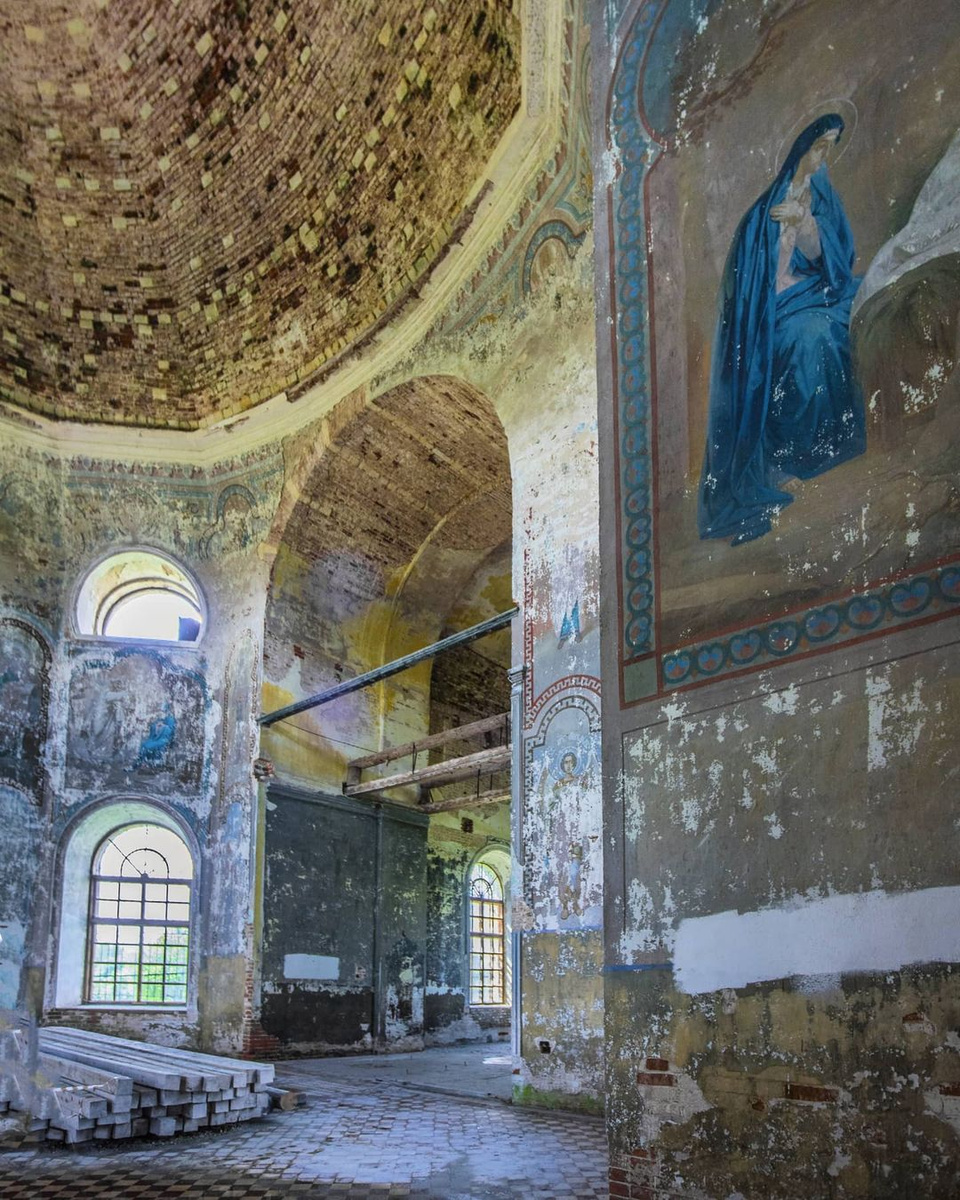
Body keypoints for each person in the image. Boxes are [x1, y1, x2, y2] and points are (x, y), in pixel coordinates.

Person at [698, 113, 866, 545]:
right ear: (802, 148)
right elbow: (756, 281)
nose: (823, 157)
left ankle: (837, 440)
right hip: (776, 306)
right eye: (820, 147)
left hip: (816, 290)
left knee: (847, 316)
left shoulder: (820, 195)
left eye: (830, 147)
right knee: (812, 338)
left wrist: (806, 223)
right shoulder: (763, 212)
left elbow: (837, 257)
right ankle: (804, 452)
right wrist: (786, 226)